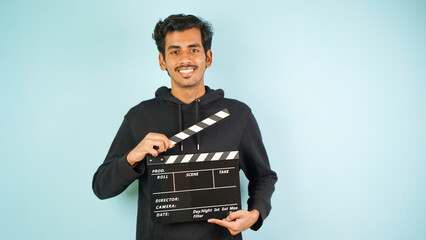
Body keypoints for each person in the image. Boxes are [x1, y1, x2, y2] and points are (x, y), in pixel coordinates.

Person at [92, 14, 277, 240]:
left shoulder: (238, 115)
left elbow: (263, 176)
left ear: (208, 57)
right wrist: (132, 157)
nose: (185, 59)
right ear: (162, 61)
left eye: (193, 49)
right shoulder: (139, 117)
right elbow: (102, 187)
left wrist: (255, 213)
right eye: (175, 51)